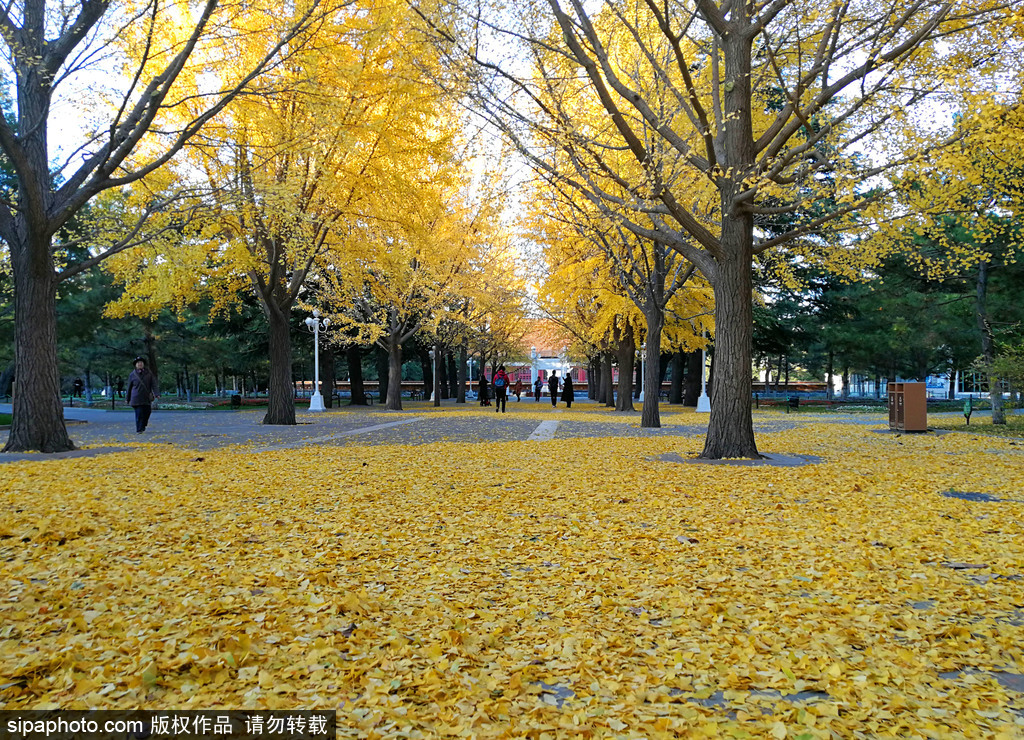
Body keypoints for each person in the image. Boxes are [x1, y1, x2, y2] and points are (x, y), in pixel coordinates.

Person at [126, 356, 159, 433]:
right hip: (136, 398)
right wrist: (127, 398)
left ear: (143, 364)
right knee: (139, 414)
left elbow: (154, 384)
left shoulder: (149, 373)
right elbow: (129, 387)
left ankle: (143, 424)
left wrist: (157, 393)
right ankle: (139, 429)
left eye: (141, 362)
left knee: (147, 412)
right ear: (135, 365)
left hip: (146, 397)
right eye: (138, 363)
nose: (140, 364)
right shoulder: (132, 374)